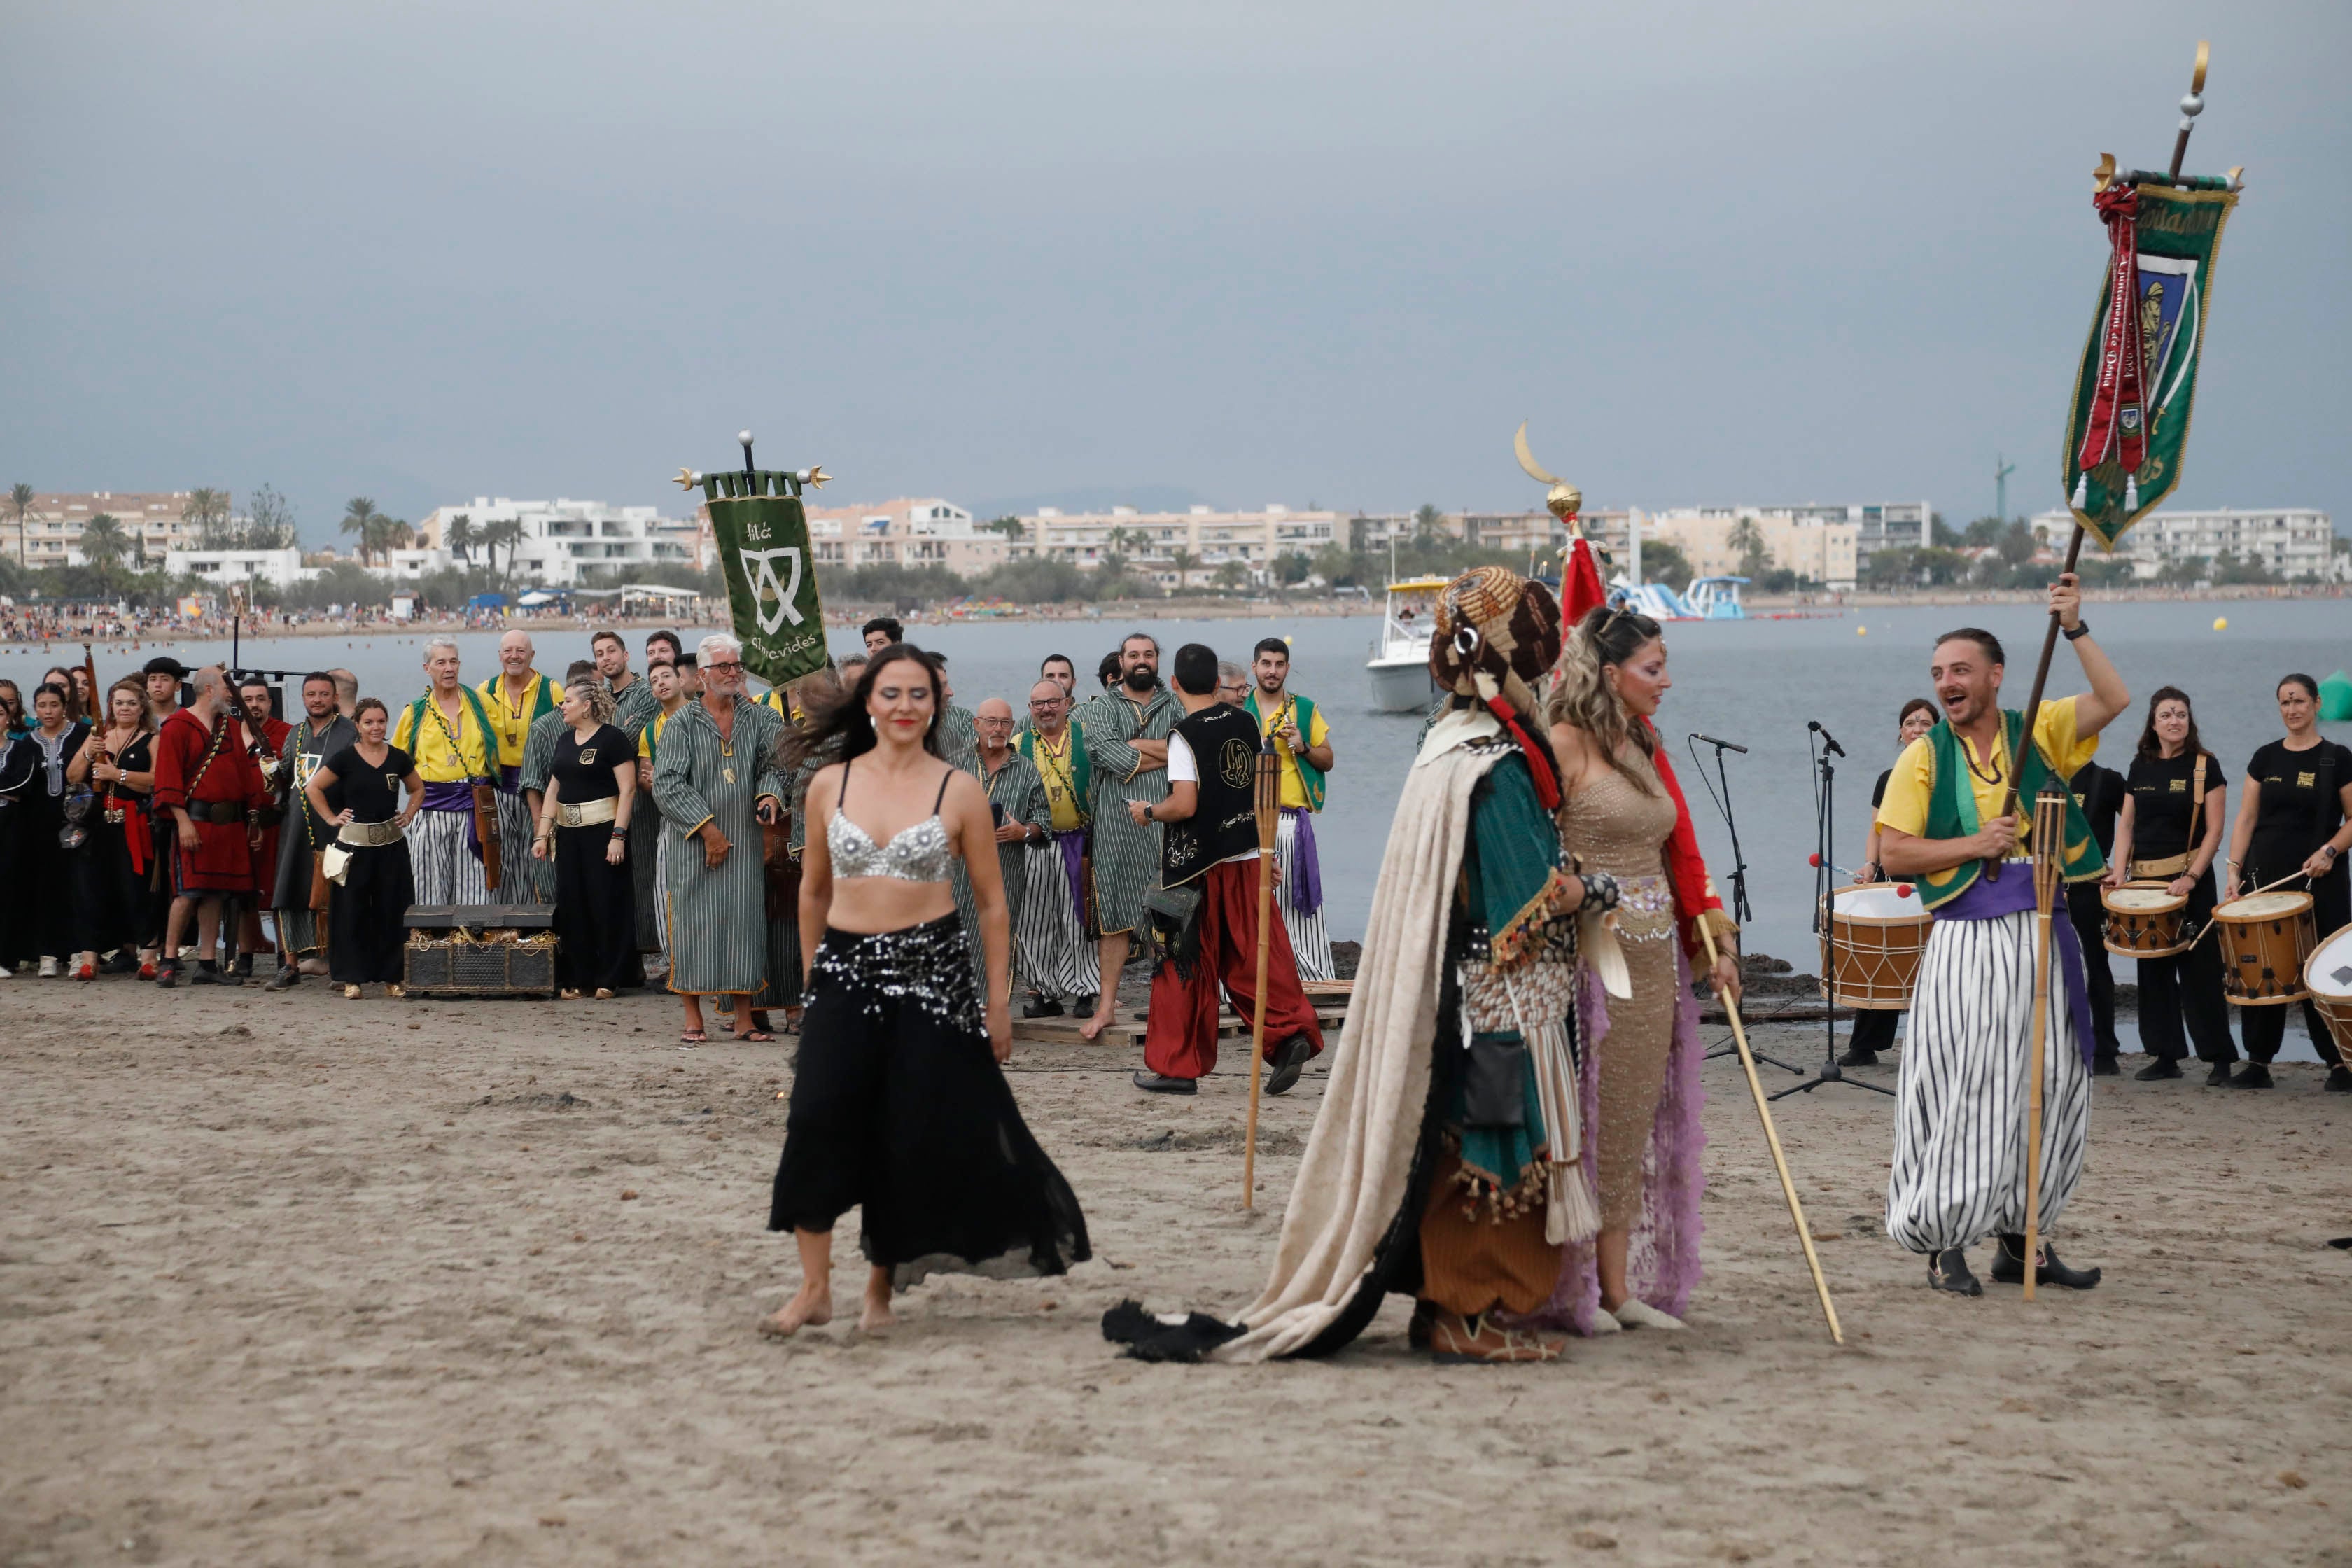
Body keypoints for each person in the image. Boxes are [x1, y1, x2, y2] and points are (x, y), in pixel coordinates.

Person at [1102, 568, 1614, 1365]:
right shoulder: (1494, 759)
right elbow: (1528, 896)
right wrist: (1594, 887)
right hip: (1498, 996)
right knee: (1494, 1144)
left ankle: (1454, 1308)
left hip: (1447, 987)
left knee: (1458, 1138)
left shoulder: (1445, 742)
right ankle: (1464, 1315)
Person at [764, 643, 1088, 1338]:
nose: (905, 706)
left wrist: (996, 1002)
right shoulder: (830, 783)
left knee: (902, 1131)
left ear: (935, 705)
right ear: (868, 703)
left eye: (919, 694)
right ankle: (815, 1287)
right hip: (845, 969)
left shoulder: (960, 787)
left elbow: (992, 903)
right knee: (817, 1114)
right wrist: (813, 978)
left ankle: (879, 1288)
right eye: (891, 693)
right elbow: (814, 890)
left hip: (931, 973)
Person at [1873, 578, 2130, 1296]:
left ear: (1995, 674)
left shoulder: (2038, 729)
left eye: (1959, 670)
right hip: (1968, 943)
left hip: (2045, 932)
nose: (1946, 683)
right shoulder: (1924, 756)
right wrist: (1973, 842)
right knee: (1969, 1085)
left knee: (2048, 1081)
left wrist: (2075, 628)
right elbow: (1895, 852)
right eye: (1937, 674)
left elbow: (2114, 700)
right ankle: (1944, 1239)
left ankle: (2023, 1240)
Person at [1537, 604, 1739, 1331]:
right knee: (1583, 1120)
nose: (1666, 681)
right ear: (1610, 671)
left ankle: (1619, 1289)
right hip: (1594, 957)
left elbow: (1675, 848)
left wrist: (1710, 938)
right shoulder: (1563, 743)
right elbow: (1536, 851)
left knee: (1627, 1121)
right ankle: (1572, 1282)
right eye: (1654, 669)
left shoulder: (1639, 742)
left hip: (1656, 962)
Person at [1129, 643, 1326, 1097]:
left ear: (1174, 684)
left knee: (1182, 963)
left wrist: (1148, 812)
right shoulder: (1245, 721)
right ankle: (1290, 1034)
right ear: (1218, 684)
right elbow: (1258, 787)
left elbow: (1185, 804)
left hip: (1194, 869)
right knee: (1254, 958)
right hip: (1245, 856)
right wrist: (1265, 854)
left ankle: (1178, 1067)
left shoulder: (1183, 735)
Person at [650, 633, 788, 1044]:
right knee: (694, 924)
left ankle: (744, 1020)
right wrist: (708, 831)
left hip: (745, 840)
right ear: (703, 675)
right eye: (723, 667)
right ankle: (694, 1019)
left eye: (736, 666)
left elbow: (777, 763)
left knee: (745, 924)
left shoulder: (758, 717)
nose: (732, 673)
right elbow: (668, 785)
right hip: (694, 844)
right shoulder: (680, 724)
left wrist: (769, 793)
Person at [2222, 673, 2352, 1091]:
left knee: (2323, 972)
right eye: (2284, 702)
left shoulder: (2337, 757)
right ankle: (2258, 1063)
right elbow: (2246, 818)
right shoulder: (2265, 758)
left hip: (2322, 882)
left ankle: (2339, 1063)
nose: (2292, 710)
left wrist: (2330, 852)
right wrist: (2233, 869)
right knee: (2264, 965)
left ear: (2316, 704)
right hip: (2267, 881)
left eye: (2299, 701)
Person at [2104, 687, 2234, 1083]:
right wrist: (2118, 873)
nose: (2174, 720)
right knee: (2153, 971)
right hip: (2144, 883)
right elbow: (2126, 825)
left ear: (2189, 721)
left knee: (2201, 969)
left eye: (2180, 714)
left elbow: (2215, 831)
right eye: (2166, 715)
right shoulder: (2140, 766)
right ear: (2154, 723)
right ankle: (2166, 1056)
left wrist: (2191, 877)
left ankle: (2219, 1058)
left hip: (2189, 880)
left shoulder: (2204, 766)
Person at [1076, 633, 1179, 1040]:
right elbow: (1116, 760)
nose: (1141, 661)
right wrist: (1163, 751)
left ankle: (1170, 1008)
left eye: (1148, 655)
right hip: (1115, 827)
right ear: (1120, 661)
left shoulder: (1175, 704)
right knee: (1114, 920)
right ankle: (1107, 1008)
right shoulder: (1100, 707)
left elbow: (1190, 754)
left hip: (1169, 823)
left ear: (1157, 660)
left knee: (1170, 916)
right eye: (1133, 655)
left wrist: (1138, 746)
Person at [152, 666, 270, 988]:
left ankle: (206, 962)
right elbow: (168, 779)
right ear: (208, 690)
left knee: (216, 892)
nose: (230, 693)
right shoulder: (177, 727)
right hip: (195, 821)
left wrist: (253, 819)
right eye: (225, 687)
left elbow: (245, 777)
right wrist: (183, 821)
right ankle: (169, 959)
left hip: (229, 825)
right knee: (187, 893)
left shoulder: (229, 727)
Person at [1841, 698, 1939, 1067]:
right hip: (1892, 876)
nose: (1917, 729)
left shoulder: (1947, 775)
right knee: (1884, 959)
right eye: (1911, 723)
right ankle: (1865, 1046)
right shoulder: (1888, 777)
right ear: (1901, 731)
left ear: (1939, 731)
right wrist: (1870, 865)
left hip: (1935, 876)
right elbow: (1876, 829)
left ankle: (1932, 1046)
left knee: (1933, 962)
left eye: (1926, 723)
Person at [306, 698, 421, 998]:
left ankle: (393, 977)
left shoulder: (398, 758)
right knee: (350, 914)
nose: (376, 727)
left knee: (391, 912)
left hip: (391, 847)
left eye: (381, 721)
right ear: (357, 725)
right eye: (369, 722)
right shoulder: (344, 759)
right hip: (352, 848)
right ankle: (351, 979)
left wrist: (408, 814)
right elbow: (313, 788)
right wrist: (332, 818)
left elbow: (418, 789)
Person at [533, 678, 638, 999]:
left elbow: (628, 789)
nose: (562, 707)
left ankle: (610, 976)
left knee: (606, 903)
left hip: (604, 832)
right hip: (569, 835)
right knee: (573, 904)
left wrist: (618, 835)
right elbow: (553, 789)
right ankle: (579, 978)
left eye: (567, 701)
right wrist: (542, 834)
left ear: (586, 705)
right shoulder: (564, 741)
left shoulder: (613, 739)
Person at [1242, 636, 1338, 983]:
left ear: (1287, 668)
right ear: (1254, 667)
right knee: (1252, 908)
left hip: (1291, 823)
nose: (1272, 671)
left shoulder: (1305, 708)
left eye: (1279, 664)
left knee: (1299, 909)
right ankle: (1252, 983)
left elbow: (1327, 760)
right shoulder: (1241, 712)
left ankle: (1312, 979)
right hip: (1249, 823)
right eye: (1265, 664)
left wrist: (1303, 745)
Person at [948, 696, 1050, 995]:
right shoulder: (955, 763)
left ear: (1013, 726)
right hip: (956, 873)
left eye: (1005, 722)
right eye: (991, 722)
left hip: (1005, 871)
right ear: (976, 724)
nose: (998, 729)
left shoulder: (1027, 770)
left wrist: (1024, 832)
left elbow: (1043, 821)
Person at [390, 640, 502, 906]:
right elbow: (395, 765)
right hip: (429, 811)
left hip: (474, 809)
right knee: (428, 888)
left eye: (453, 661)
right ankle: (431, 946)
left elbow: (502, 749)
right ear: (427, 668)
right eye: (441, 663)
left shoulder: (481, 703)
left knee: (477, 888)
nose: (449, 668)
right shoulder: (415, 712)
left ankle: (473, 946)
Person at [265, 674, 358, 990]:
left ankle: (339, 964)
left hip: (334, 826)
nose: (317, 700)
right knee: (289, 891)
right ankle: (289, 965)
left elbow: (356, 778)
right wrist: (272, 772)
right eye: (311, 694)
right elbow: (287, 780)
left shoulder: (349, 732)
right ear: (303, 698)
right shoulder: (295, 733)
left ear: (334, 698)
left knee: (335, 896)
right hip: (296, 827)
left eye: (323, 694)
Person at [1015, 678, 1097, 1017]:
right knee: (1034, 921)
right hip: (1034, 845)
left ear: (1067, 703)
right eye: (1038, 704)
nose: (1046, 709)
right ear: (1030, 708)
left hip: (1078, 839)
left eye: (1053, 702)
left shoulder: (1087, 739)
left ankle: (1084, 990)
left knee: (1079, 918)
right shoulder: (1017, 743)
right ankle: (1045, 993)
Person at [66, 679, 158, 977]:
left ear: (142, 706)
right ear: (110, 707)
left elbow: (156, 780)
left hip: (133, 824)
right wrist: (86, 753)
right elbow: (73, 777)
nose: (125, 708)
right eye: (119, 703)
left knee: (137, 891)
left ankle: (148, 956)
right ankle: (89, 958)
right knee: (92, 890)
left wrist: (117, 774)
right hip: (98, 826)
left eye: (131, 703)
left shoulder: (152, 739)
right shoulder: (98, 737)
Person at [479, 630, 563, 902]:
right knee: (501, 857)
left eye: (521, 651)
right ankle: (506, 925)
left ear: (532, 655)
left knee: (537, 856)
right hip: (499, 788)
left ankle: (539, 924)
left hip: (540, 789)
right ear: (500, 655)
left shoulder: (551, 690)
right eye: (508, 651)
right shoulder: (485, 691)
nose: (514, 656)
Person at [24, 682, 94, 976]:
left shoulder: (81, 735)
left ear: (65, 706)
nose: (48, 711)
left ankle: (79, 951)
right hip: (39, 825)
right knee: (45, 887)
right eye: (42, 706)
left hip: (77, 822)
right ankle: (48, 953)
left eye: (54, 705)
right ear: (35, 709)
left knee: (77, 887)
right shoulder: (27, 743)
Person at [519, 659, 601, 901]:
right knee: (551, 894)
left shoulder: (600, 726)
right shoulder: (543, 728)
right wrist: (540, 832)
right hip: (551, 826)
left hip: (587, 826)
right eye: (598, 687)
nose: (604, 693)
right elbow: (532, 783)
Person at [2068, 755, 2128, 1074]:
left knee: (2094, 967)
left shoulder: (2107, 780)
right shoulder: (2038, 779)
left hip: (2088, 889)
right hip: (2043, 888)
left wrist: (2121, 869)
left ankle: (2105, 1050)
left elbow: (2136, 823)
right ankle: (2056, 1046)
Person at [232, 674, 292, 977]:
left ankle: (285, 956)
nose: (254, 705)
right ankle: (245, 955)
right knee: (243, 893)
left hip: (275, 825)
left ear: (270, 702)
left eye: (260, 699)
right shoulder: (226, 734)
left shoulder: (287, 734)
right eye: (248, 699)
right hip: (237, 826)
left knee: (277, 894)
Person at [636, 660, 688, 976]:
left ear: (681, 680)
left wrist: (665, 777)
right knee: (665, 892)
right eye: (654, 680)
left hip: (707, 818)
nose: (660, 683)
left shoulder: (702, 717)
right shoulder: (650, 730)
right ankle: (676, 964)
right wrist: (655, 782)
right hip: (668, 821)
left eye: (666, 676)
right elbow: (645, 777)